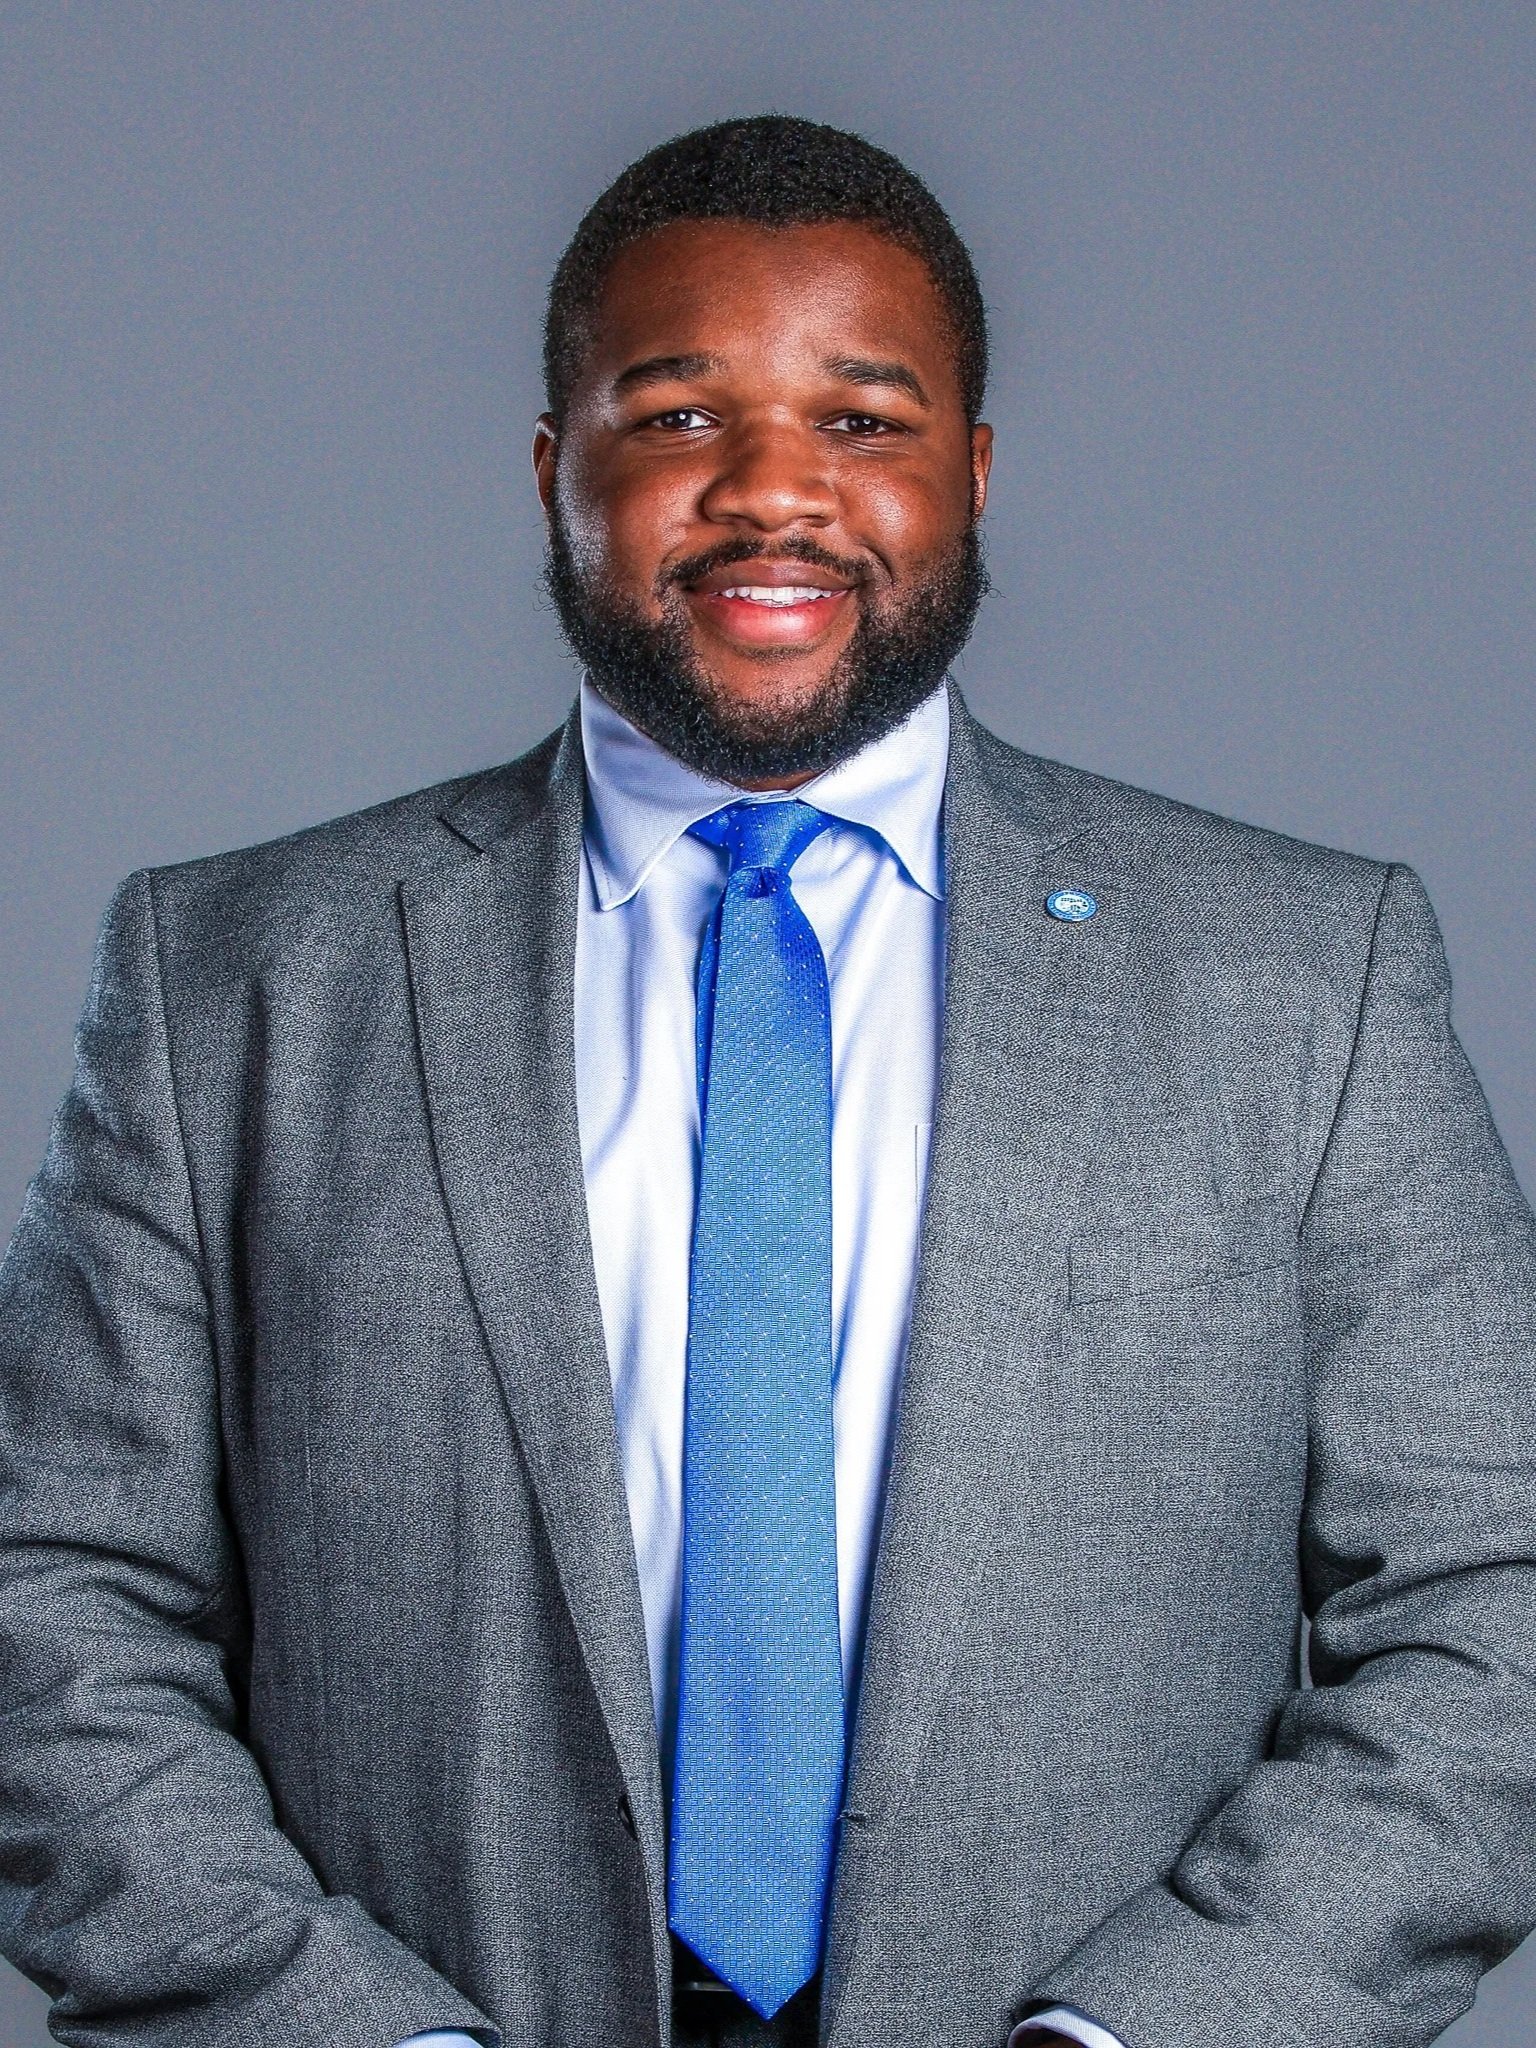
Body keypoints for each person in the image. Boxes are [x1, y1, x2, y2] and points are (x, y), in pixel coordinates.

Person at [2, 113, 1534, 2048]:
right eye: (677, 419)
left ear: (974, 477)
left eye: (865, 423)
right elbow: (49, 1598)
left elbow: (1499, 1607)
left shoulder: (1302, 979)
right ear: (556, 473)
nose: (772, 497)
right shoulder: (229, 979)